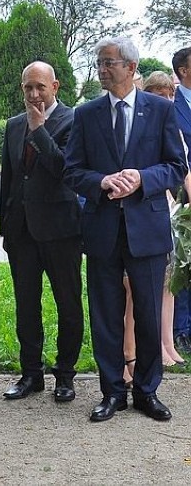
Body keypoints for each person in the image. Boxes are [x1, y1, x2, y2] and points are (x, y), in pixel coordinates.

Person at [64, 36, 186, 422]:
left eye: (109, 63)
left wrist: (142, 178)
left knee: (149, 313)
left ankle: (147, 391)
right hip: (102, 228)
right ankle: (112, 391)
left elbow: (175, 167)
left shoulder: (160, 110)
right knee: (105, 314)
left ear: (131, 68)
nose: (102, 69)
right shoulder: (86, 114)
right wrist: (101, 182)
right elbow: (72, 171)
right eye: (99, 62)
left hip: (146, 229)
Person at [0, 62, 83, 402]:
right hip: (22, 233)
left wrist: (39, 130)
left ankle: (65, 375)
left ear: (55, 87)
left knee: (68, 304)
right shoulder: (13, 125)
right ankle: (30, 374)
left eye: (40, 87)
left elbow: (66, 169)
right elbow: (9, 179)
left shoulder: (75, 120)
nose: (33, 94)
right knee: (27, 306)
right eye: (27, 88)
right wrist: (5, 229)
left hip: (61, 231)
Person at [140, 71, 186, 367]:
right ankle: (153, 344)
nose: (167, 100)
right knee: (151, 283)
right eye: (160, 95)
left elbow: (181, 167)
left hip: (172, 208)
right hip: (149, 210)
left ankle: (168, 344)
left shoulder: (172, 126)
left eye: (170, 94)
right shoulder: (143, 127)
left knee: (170, 282)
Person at [170, 46, 191, 356]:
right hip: (186, 196)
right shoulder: (171, 109)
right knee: (186, 262)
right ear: (184, 71)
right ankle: (182, 329)